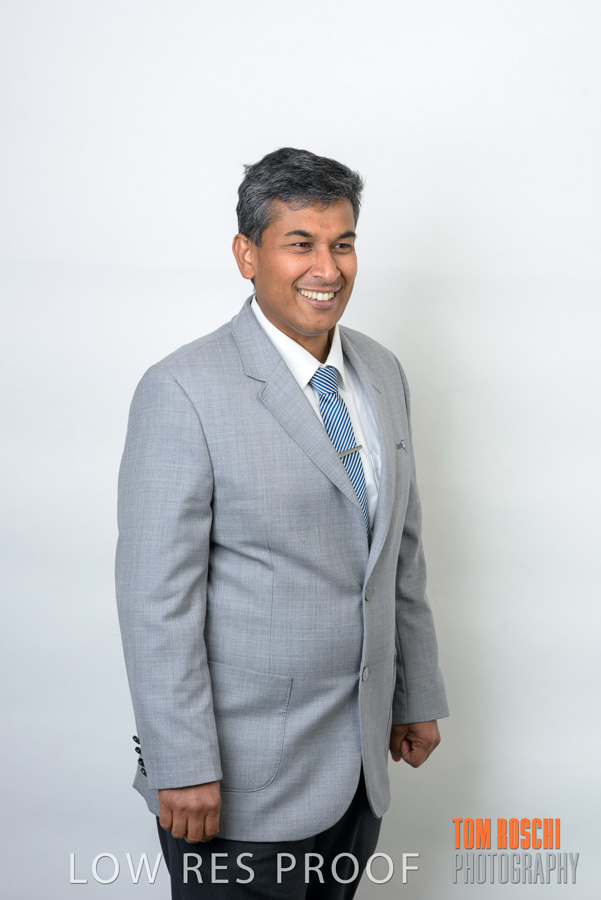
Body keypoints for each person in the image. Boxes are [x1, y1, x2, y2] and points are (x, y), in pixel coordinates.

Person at [116, 147, 448, 898]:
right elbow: (154, 601)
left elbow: (399, 552)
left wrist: (415, 694)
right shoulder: (182, 390)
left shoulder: (382, 372)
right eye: (301, 243)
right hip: (236, 784)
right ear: (247, 254)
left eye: (343, 243)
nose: (327, 269)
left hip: (358, 770)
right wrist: (181, 762)